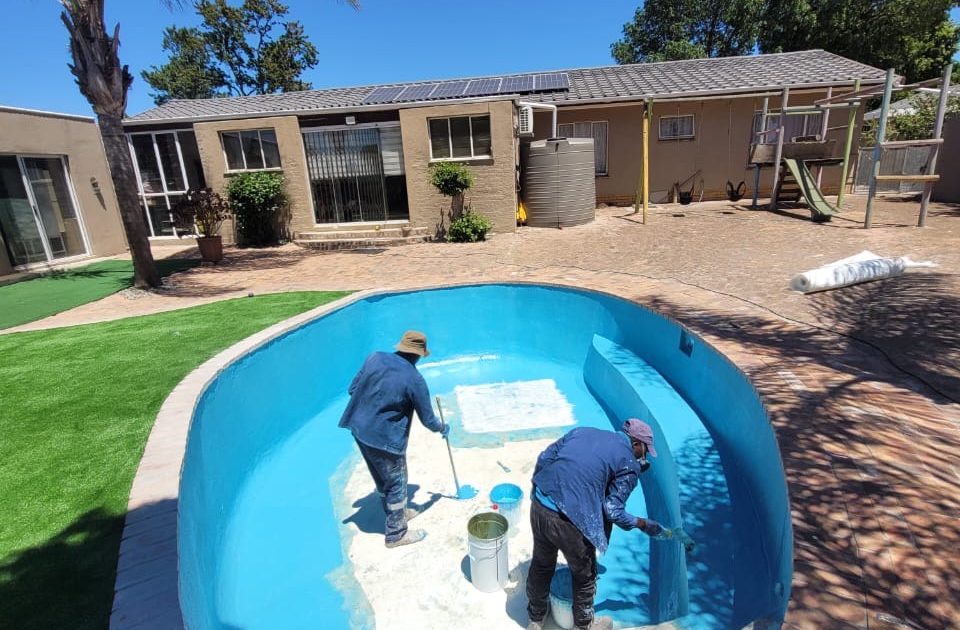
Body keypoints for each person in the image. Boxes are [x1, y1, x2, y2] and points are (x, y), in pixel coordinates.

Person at [525, 419, 665, 630]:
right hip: (568, 523)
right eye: (644, 451)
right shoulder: (629, 463)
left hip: (540, 505)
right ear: (636, 443)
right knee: (585, 576)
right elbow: (613, 510)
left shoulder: (582, 431)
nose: (643, 457)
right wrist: (642, 523)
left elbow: (544, 458)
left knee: (542, 564)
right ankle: (583, 625)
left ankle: (535, 619)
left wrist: (541, 493)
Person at [338, 330, 449, 548]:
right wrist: (443, 427)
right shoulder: (415, 379)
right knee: (397, 483)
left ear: (401, 347)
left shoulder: (375, 357)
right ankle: (396, 533)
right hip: (385, 440)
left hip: (359, 429)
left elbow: (352, 389)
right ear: (418, 354)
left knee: (382, 478)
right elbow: (428, 420)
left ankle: (395, 513)